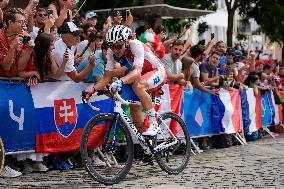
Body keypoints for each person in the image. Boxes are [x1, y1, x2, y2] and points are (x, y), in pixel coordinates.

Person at [91, 25, 167, 136]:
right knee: (134, 108)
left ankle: (154, 124)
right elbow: (106, 77)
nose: (115, 50)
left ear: (127, 42)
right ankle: (145, 142)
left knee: (138, 86)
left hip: (157, 70)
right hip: (139, 76)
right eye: (112, 47)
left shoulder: (135, 45)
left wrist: (120, 81)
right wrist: (91, 90)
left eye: (118, 46)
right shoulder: (111, 52)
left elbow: (136, 71)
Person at [0, 8, 34, 77]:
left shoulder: (25, 35)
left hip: (15, 80)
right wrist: (12, 47)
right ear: (10, 22)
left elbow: (19, 68)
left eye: (25, 22)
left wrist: (29, 50)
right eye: (20, 22)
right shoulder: (0, 37)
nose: (24, 25)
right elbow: (6, 67)